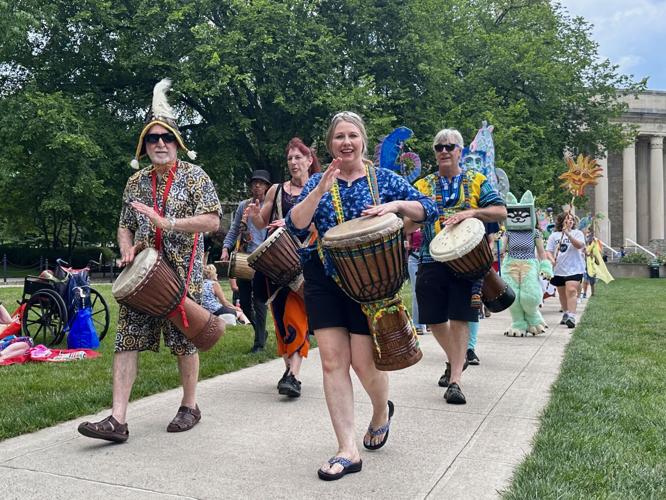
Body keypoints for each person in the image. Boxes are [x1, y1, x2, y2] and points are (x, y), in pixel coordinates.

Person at [286, 111, 436, 481]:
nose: (346, 142)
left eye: (352, 135)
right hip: (322, 277)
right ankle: (347, 449)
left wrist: (397, 206)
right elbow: (296, 225)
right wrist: (318, 190)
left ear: (363, 141)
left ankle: (381, 411)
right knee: (332, 362)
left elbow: (428, 208)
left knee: (364, 364)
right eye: (339, 137)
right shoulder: (319, 181)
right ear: (330, 144)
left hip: (370, 283)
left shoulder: (384, 179)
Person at [77, 79, 221, 443]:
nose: (160, 143)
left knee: (185, 341)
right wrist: (126, 248)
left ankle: (190, 406)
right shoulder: (135, 183)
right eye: (153, 138)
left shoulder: (195, 177)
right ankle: (117, 419)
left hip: (181, 275)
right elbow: (124, 225)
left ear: (177, 143)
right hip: (142, 274)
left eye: (166, 138)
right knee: (126, 341)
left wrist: (168, 223)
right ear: (144, 146)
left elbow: (213, 220)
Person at [411, 128, 506, 405]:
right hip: (431, 259)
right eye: (438, 147)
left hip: (467, 263)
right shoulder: (423, 186)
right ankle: (458, 358)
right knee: (433, 318)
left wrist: (472, 212)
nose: (443, 151)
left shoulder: (477, 181)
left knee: (460, 316)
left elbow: (500, 212)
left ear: (459, 151)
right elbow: (412, 221)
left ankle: (455, 381)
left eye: (449, 146)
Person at [248, 137, 320, 397]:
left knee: (296, 315)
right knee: (280, 318)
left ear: (309, 160)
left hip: (306, 260)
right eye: (289, 158)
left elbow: (323, 222)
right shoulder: (276, 190)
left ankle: (294, 374)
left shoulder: (318, 187)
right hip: (276, 264)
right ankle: (289, 370)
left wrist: (290, 224)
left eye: (298, 157)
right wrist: (255, 216)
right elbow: (261, 224)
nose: (293, 162)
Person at [221, 170, 271, 353]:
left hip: (263, 258)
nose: (257, 185)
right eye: (254, 182)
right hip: (243, 257)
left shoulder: (270, 206)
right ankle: (260, 331)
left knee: (259, 301)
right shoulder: (243, 206)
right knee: (244, 302)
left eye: (261, 183)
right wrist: (226, 248)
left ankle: (259, 344)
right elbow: (234, 230)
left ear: (266, 186)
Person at [545, 212, 585, 329]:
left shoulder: (578, 233)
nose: (570, 221)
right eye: (567, 219)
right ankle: (566, 312)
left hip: (575, 268)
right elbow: (549, 251)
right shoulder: (554, 235)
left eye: (572, 220)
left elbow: (579, 246)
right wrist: (552, 260)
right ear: (562, 221)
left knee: (572, 290)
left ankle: (572, 316)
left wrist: (568, 235)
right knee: (562, 294)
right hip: (559, 269)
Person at [406, 228, 427, 335]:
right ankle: (418, 324)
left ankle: (429, 321)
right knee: (416, 291)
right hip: (414, 257)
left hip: (429, 257)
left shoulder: (432, 221)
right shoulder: (412, 224)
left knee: (430, 290)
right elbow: (407, 245)